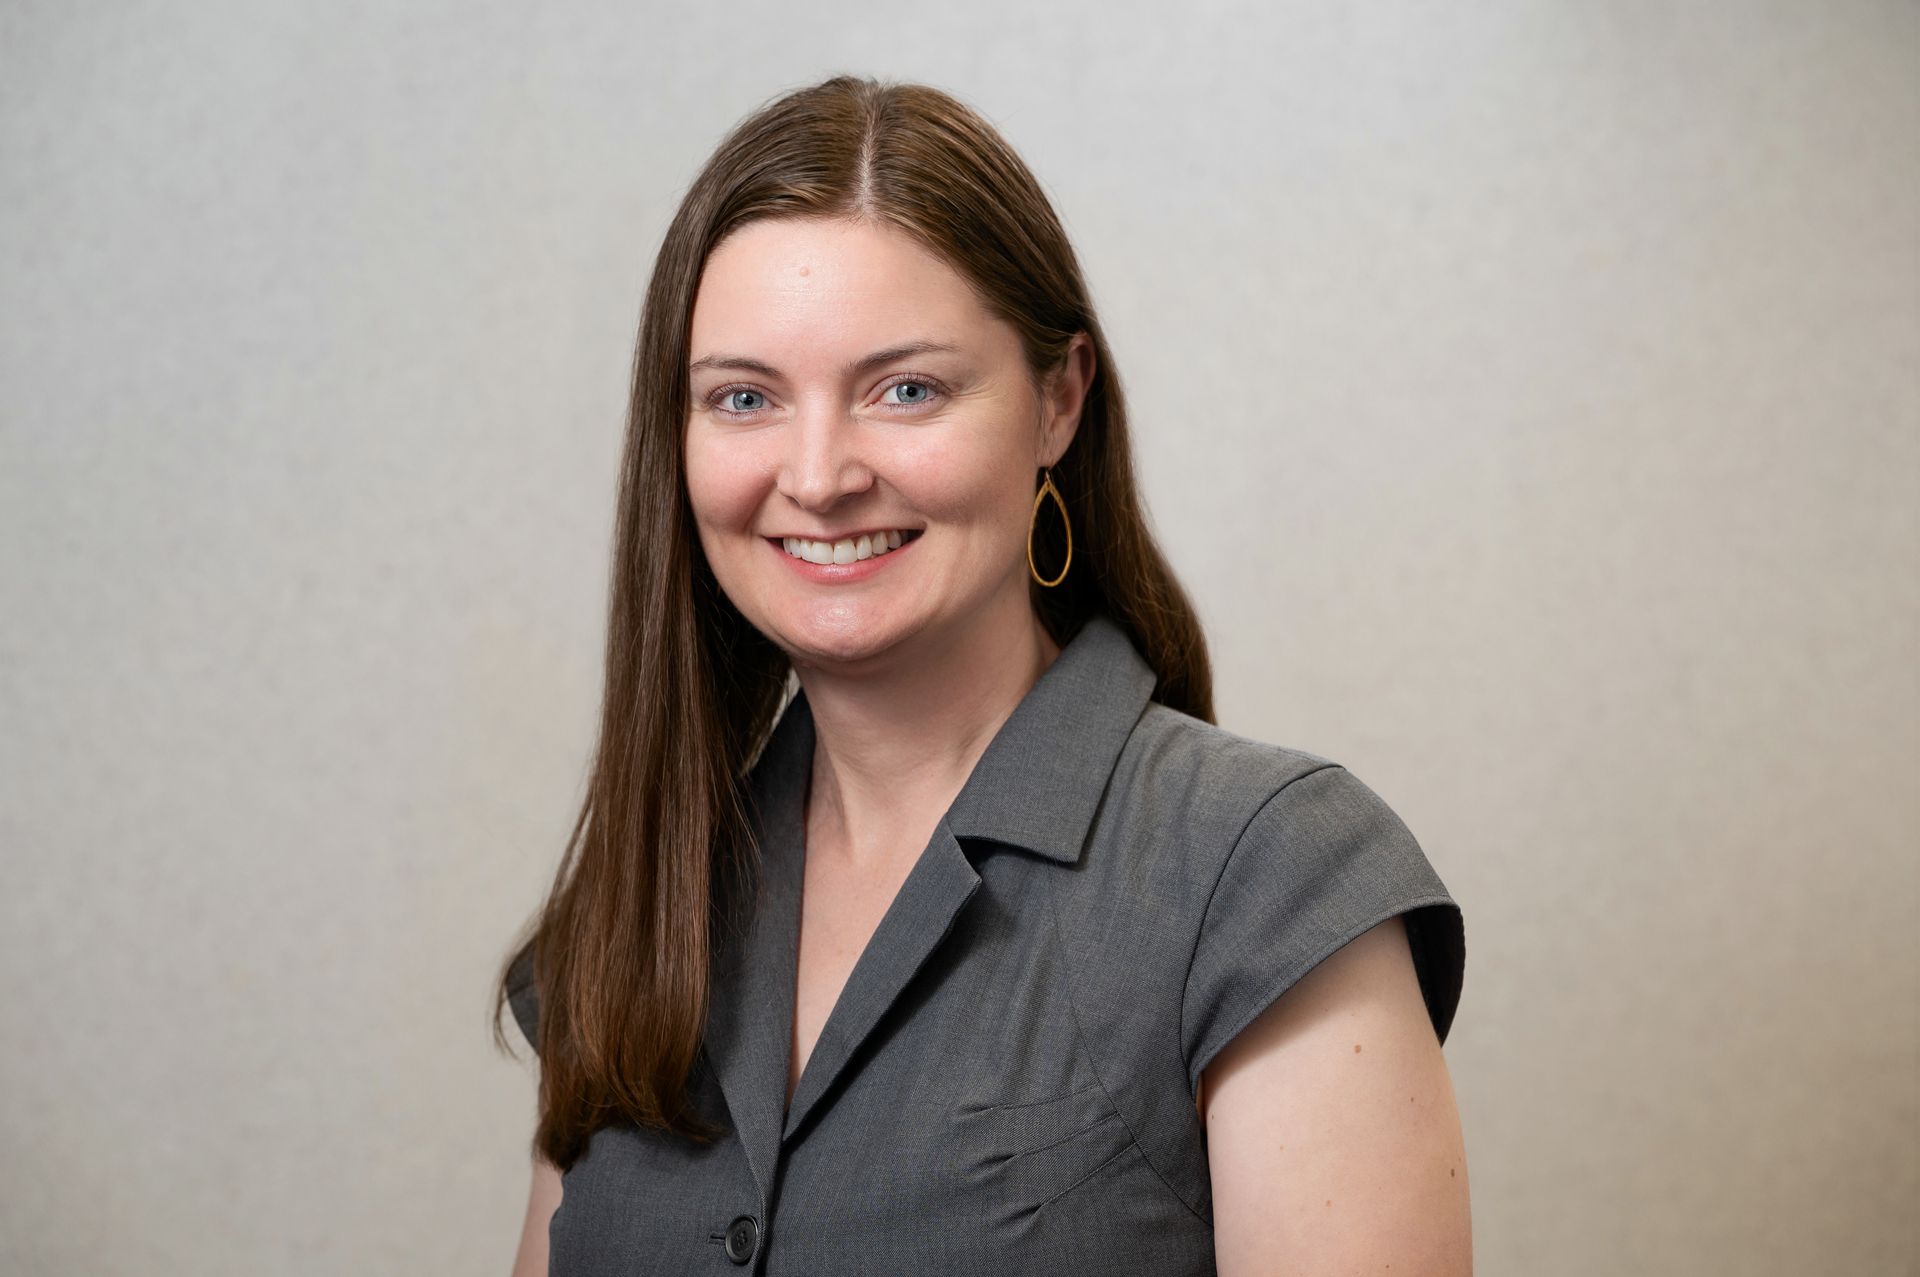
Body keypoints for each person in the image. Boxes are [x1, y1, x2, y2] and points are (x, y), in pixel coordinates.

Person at [495, 74, 1470, 1276]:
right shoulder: (639, 902)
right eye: (744, 398)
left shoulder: (1268, 877)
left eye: (905, 388)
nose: (817, 474)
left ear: (1058, 400)